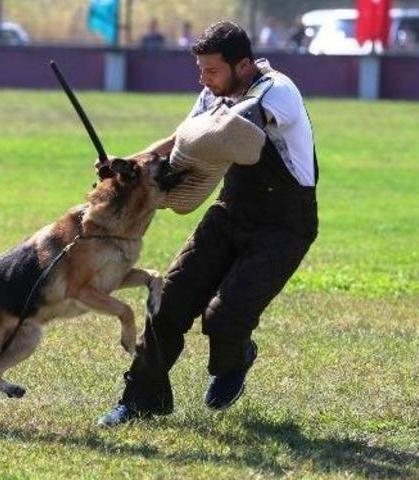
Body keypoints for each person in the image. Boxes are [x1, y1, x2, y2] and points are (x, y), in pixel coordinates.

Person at [97, 21, 318, 427]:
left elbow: (237, 130)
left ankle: (236, 359)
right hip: (231, 210)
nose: (203, 79)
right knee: (168, 303)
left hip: (284, 224)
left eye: (211, 71)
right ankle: (141, 401)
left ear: (244, 65)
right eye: (200, 70)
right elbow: (182, 138)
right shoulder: (214, 91)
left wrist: (175, 166)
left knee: (225, 316)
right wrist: (127, 167)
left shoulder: (277, 91)